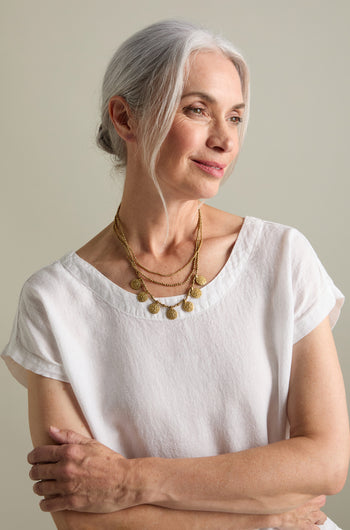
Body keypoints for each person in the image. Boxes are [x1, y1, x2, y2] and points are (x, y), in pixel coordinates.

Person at [1, 19, 349, 530]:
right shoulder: (54, 302)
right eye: (197, 109)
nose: (224, 139)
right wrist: (264, 519)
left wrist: (129, 482)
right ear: (125, 117)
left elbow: (325, 464)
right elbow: (83, 519)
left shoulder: (281, 257)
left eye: (235, 117)